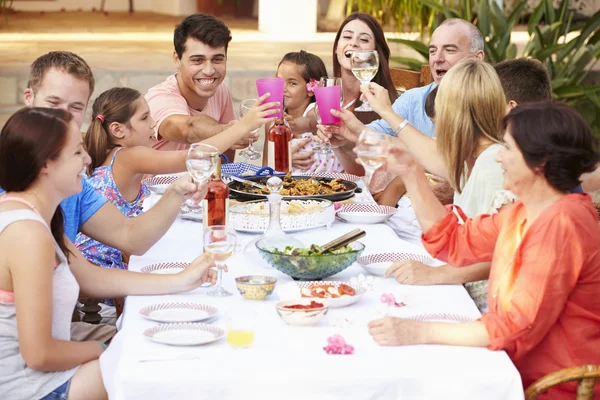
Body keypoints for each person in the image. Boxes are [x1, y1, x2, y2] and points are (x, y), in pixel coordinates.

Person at [368, 102, 600, 399]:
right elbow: (452, 239)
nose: (498, 158)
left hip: (554, 384)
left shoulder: (562, 223)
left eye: (507, 148)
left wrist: (418, 331)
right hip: (513, 365)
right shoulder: (525, 210)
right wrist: (411, 174)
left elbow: (513, 327)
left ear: (539, 161)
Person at [0, 107, 221, 400]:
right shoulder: (28, 234)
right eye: (77, 153)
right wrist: (109, 350)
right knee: (171, 373)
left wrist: (182, 279)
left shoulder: (31, 213)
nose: (88, 160)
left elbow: (94, 277)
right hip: (31, 387)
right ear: (45, 165)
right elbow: (39, 355)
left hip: (34, 372)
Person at [74, 87, 273, 309]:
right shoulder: (128, 157)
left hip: (106, 254)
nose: (152, 123)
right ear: (118, 130)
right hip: (102, 266)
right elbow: (195, 155)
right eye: (144, 117)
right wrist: (245, 124)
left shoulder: (114, 156)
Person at [17, 51, 204, 253]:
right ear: (29, 97)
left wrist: (176, 193)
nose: (63, 116)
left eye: (76, 107)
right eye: (53, 102)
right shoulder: (13, 181)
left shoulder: (71, 180)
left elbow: (128, 237)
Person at [366, 59, 516, 312]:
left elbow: (508, 255)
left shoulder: (493, 164)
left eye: (437, 114)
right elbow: (447, 236)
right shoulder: (472, 158)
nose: (434, 123)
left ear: (451, 115)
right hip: (466, 287)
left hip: (492, 306)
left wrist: (432, 275)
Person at [146, 13, 256, 162]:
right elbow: (188, 129)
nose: (209, 71)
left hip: (201, 182)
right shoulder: (159, 98)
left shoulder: (220, 89)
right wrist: (233, 131)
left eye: (217, 59)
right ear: (177, 59)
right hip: (159, 185)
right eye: (198, 60)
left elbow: (226, 155)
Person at [270, 50, 344, 174]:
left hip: (325, 183)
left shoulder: (315, 110)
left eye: (292, 83)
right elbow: (267, 165)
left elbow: (309, 122)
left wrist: (293, 125)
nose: (283, 88)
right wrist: (282, 160)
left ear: (311, 89)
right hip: (289, 184)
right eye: (280, 81)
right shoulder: (274, 118)